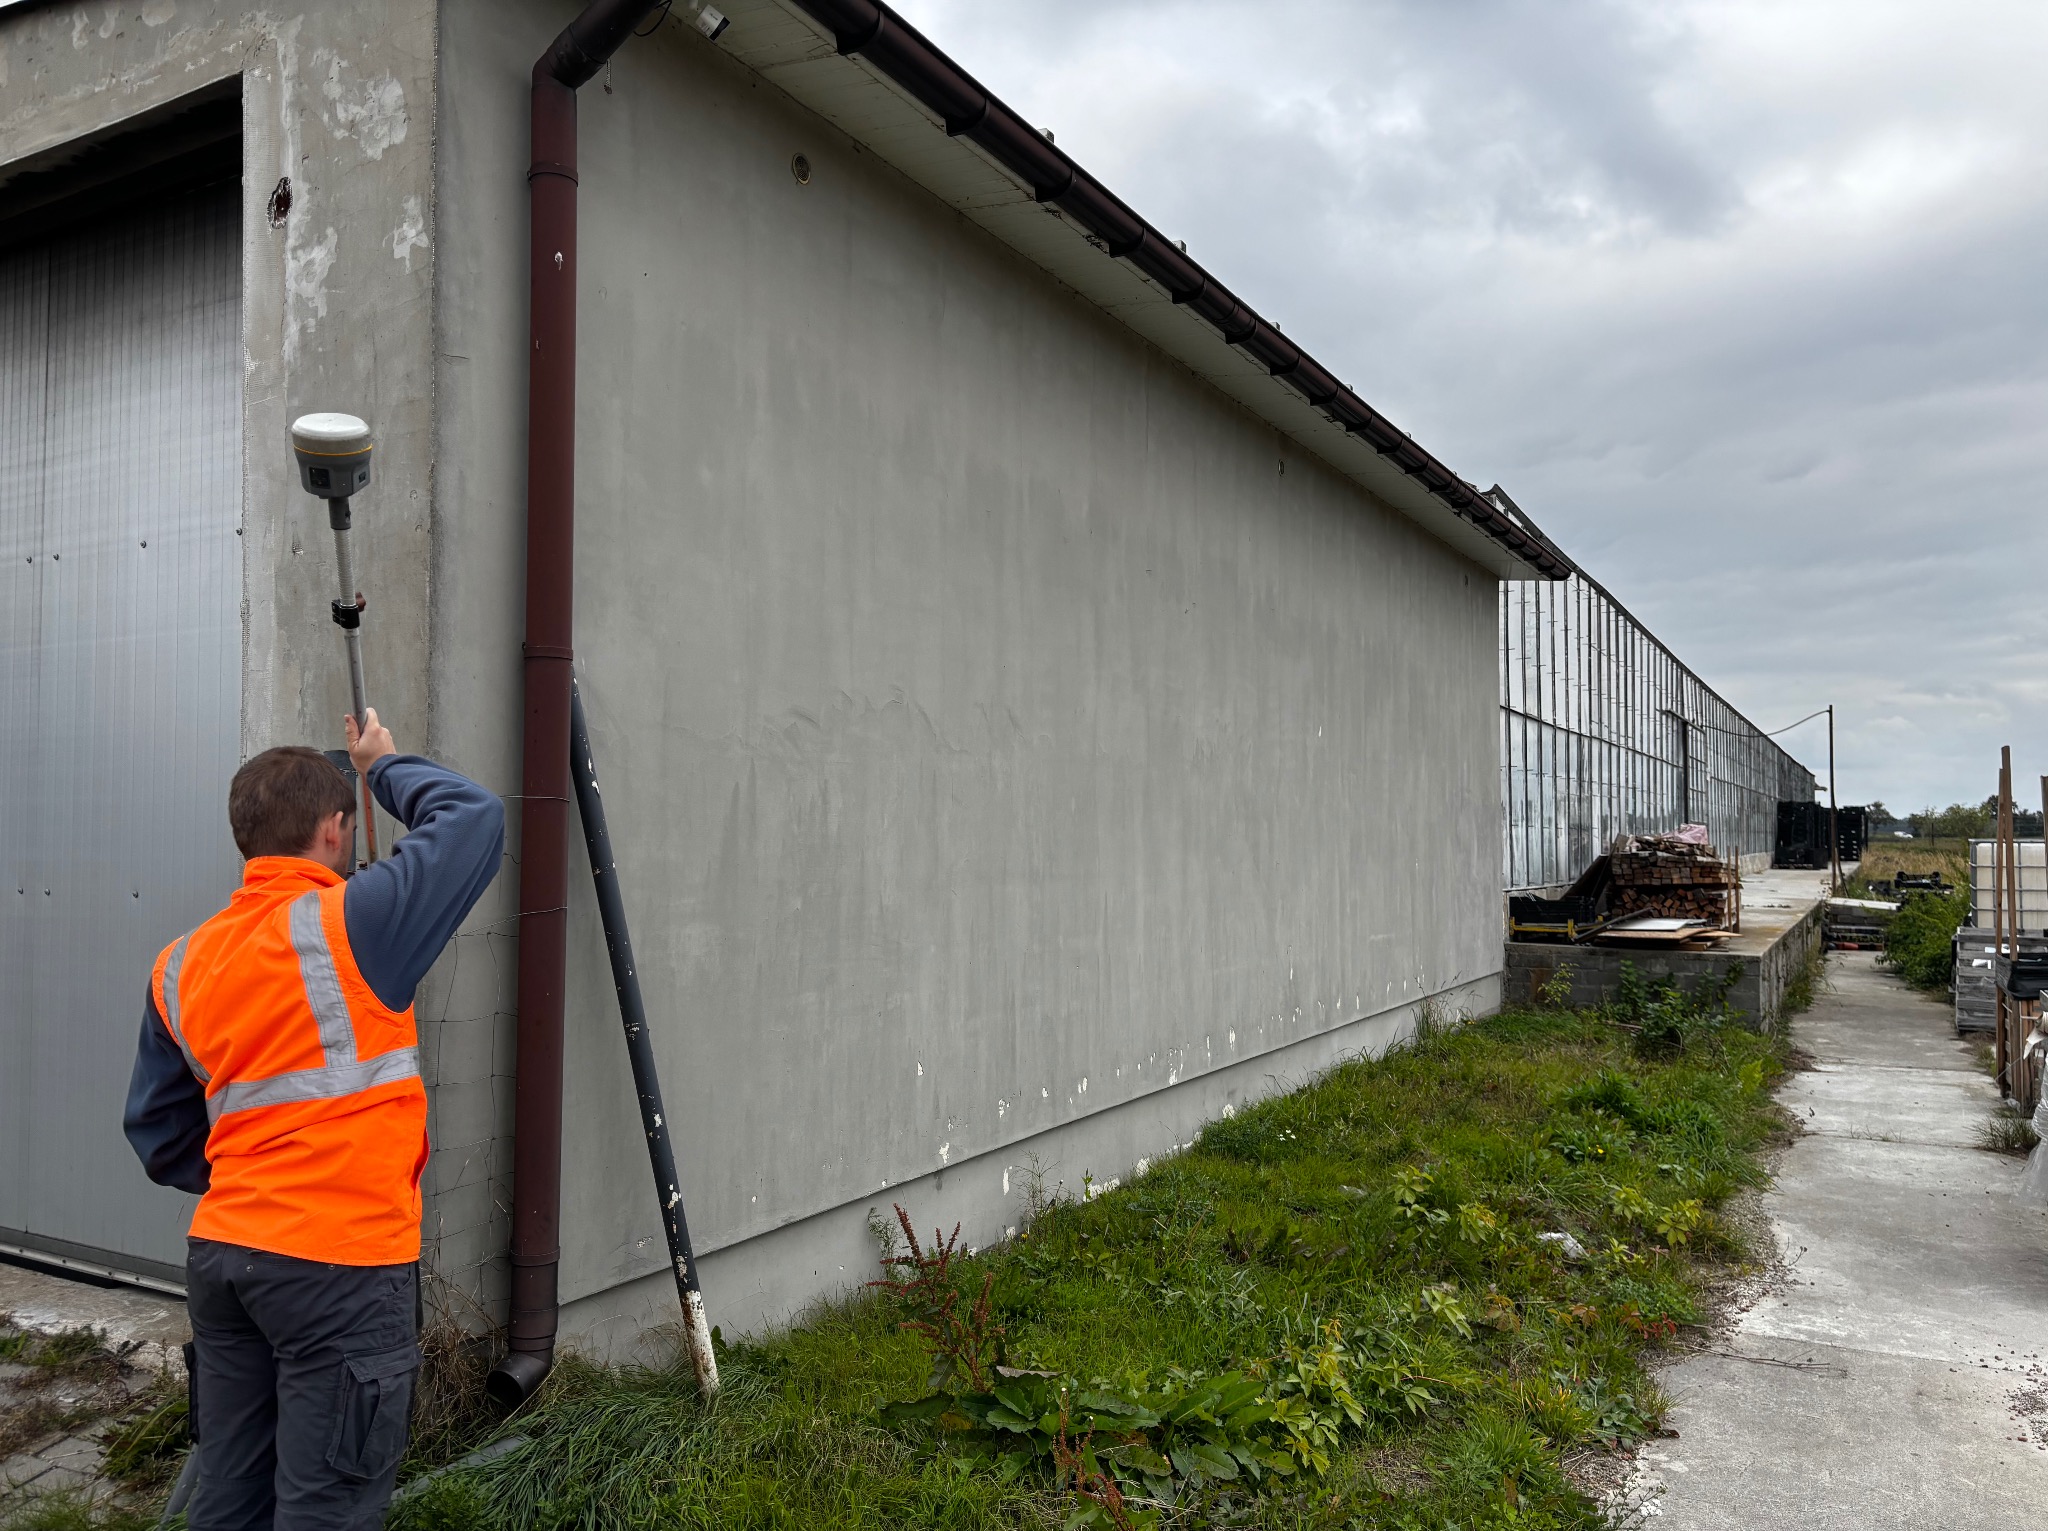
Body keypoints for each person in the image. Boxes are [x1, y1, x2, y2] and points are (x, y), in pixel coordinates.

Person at [124, 710, 503, 1530]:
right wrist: (383, 765)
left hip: (226, 1260)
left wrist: (254, 1179)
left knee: (230, 1488)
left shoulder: (183, 962)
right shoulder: (355, 923)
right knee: (326, 1505)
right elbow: (474, 819)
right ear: (334, 830)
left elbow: (159, 1135)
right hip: (339, 1267)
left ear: (246, 838)